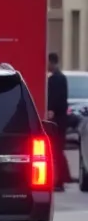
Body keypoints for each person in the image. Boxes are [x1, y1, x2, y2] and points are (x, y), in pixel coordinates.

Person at [47, 52, 69, 191]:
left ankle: (61, 180)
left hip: (57, 121)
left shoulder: (56, 79)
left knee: (57, 150)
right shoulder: (60, 78)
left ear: (52, 62)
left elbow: (57, 98)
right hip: (61, 120)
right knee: (57, 150)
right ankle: (63, 177)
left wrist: (51, 110)